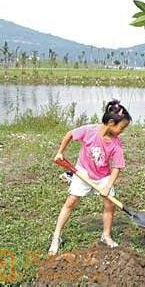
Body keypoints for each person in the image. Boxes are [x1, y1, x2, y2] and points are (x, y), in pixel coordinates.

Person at [48, 100, 132, 255]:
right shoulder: (90, 131)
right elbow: (70, 135)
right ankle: (56, 236)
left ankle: (105, 236)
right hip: (83, 172)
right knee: (71, 202)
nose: (123, 130)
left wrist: (107, 186)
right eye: (122, 127)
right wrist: (60, 152)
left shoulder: (116, 144)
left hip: (103, 176)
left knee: (109, 205)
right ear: (111, 122)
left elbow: (117, 167)